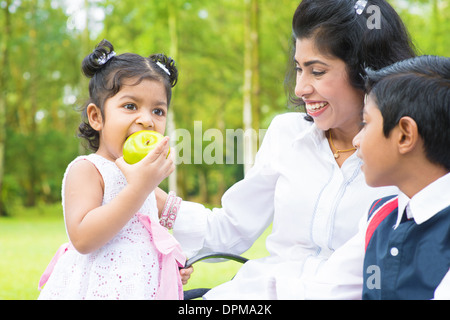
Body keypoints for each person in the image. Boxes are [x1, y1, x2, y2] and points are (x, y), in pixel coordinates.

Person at [159, 0, 417, 299]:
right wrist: (148, 195)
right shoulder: (287, 134)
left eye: (317, 71)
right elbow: (230, 231)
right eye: (299, 69)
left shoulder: (408, 156)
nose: (300, 88)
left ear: (367, 72)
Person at [38, 39, 188, 300]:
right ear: (96, 117)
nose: (147, 120)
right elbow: (83, 238)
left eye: (158, 111)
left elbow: (143, 233)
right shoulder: (88, 170)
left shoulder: (142, 178)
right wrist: (140, 188)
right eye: (130, 106)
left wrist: (169, 260)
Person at [353, 55, 450, 299]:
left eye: (365, 123)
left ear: (405, 135)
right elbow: (324, 289)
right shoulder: (380, 216)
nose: (356, 140)